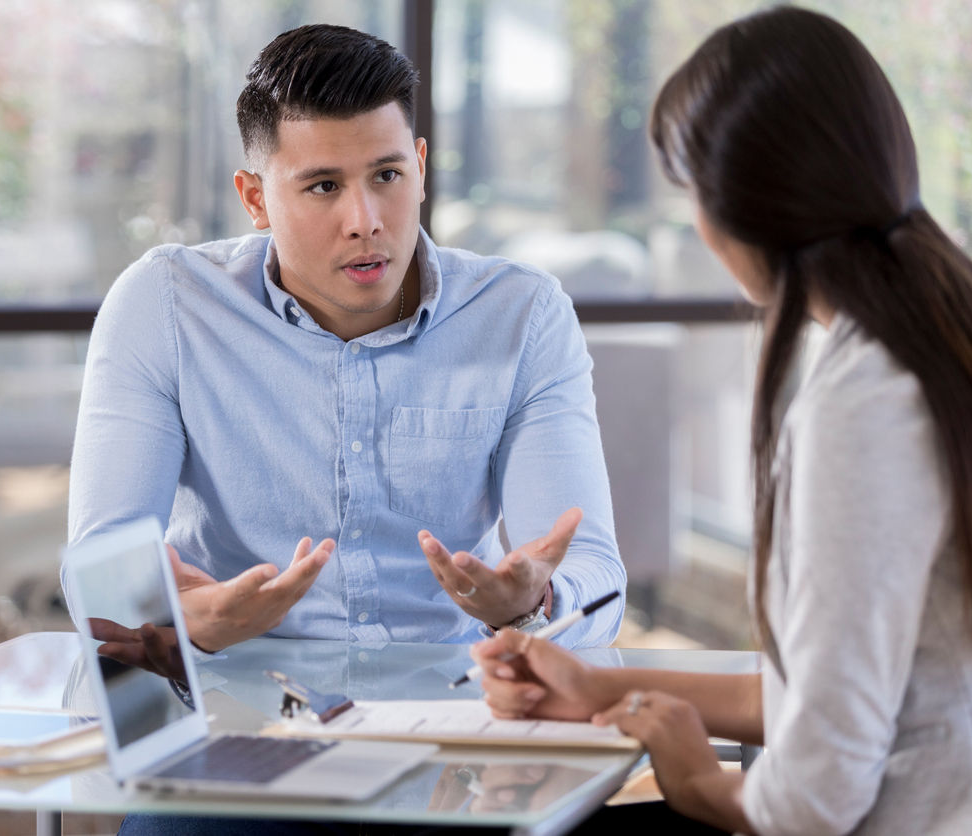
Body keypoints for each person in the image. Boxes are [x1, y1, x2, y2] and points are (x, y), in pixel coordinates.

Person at [473, 6, 972, 834]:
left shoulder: (864, 405)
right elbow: (835, 695)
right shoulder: (943, 331)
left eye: (691, 195)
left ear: (739, 207)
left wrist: (698, 782)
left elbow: (813, 799)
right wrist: (598, 686)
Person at [66, 23, 625, 654]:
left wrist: (532, 606)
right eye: (324, 186)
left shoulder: (521, 315)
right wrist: (186, 619)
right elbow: (100, 572)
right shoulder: (167, 305)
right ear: (256, 199)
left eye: (386, 176)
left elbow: (598, 586)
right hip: (239, 711)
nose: (365, 222)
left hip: (455, 717)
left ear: (419, 168)